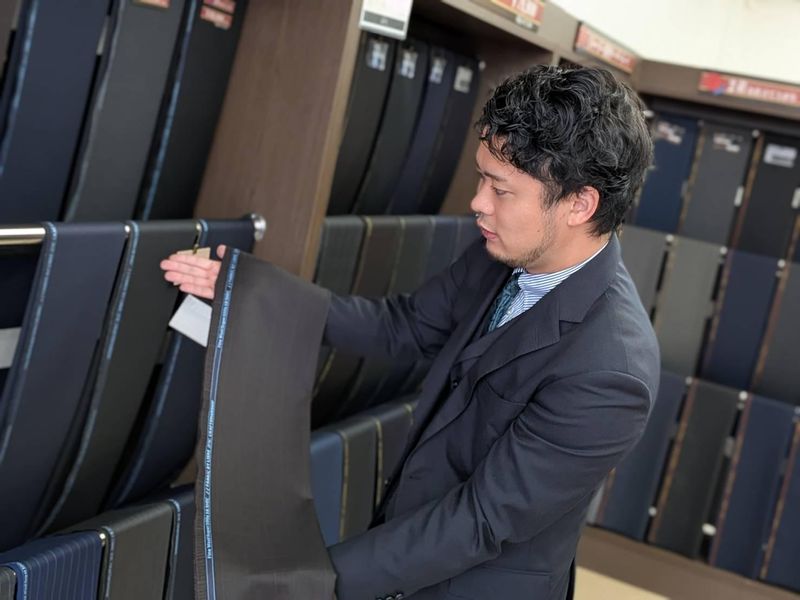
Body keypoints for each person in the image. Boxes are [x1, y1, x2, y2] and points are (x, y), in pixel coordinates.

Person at [161, 65, 658, 600]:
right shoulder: (505, 251)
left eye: (501, 189)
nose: (478, 202)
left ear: (580, 204)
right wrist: (259, 295)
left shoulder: (612, 372)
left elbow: (479, 519)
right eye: (481, 177)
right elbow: (407, 325)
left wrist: (304, 585)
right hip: (406, 546)